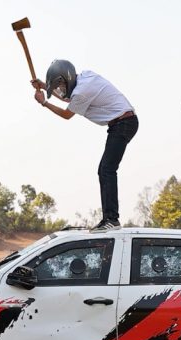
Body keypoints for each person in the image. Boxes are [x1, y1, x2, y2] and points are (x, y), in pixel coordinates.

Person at [32, 59, 138, 232]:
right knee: (105, 169)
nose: (60, 91)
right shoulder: (85, 78)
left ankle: (111, 220)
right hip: (122, 123)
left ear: (66, 79)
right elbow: (71, 99)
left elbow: (67, 114)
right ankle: (110, 219)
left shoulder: (82, 91)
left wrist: (44, 103)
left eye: (60, 86)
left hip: (123, 123)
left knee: (106, 169)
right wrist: (45, 86)